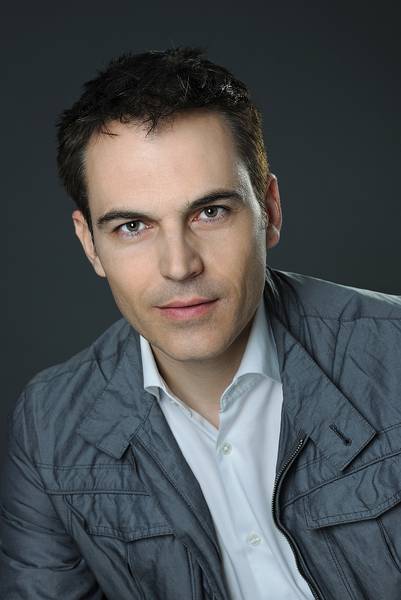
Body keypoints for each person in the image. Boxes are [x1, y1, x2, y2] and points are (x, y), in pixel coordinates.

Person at [1, 47, 400, 600]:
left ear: (269, 210)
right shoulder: (49, 428)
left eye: (210, 212)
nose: (179, 265)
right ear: (89, 244)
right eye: (132, 226)